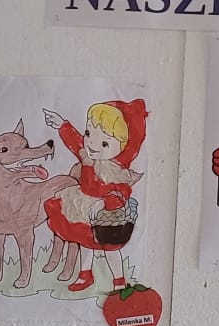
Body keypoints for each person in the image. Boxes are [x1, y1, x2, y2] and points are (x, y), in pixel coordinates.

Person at [41, 100, 148, 293]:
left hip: (106, 216)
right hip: (83, 207)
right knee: (84, 242)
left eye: (105, 143)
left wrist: (105, 203)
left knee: (110, 249)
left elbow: (121, 193)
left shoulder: (115, 170)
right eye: (89, 134)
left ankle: (119, 281)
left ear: (123, 146)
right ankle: (85, 274)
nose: (91, 144)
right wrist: (62, 125)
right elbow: (76, 143)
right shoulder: (88, 156)